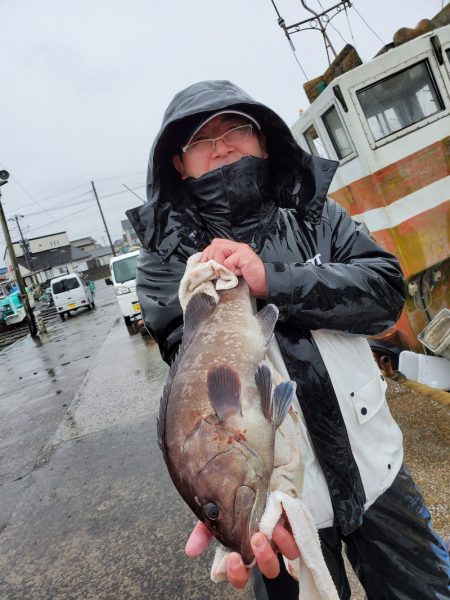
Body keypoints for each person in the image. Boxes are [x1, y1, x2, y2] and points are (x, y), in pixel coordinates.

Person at [126, 80, 450, 599]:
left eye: (235, 128)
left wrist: (273, 281)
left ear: (265, 140)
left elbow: (386, 290)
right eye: (200, 140)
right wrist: (217, 496)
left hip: (376, 468)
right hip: (278, 509)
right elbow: (189, 373)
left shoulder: (316, 214)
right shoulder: (167, 262)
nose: (222, 144)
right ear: (179, 165)